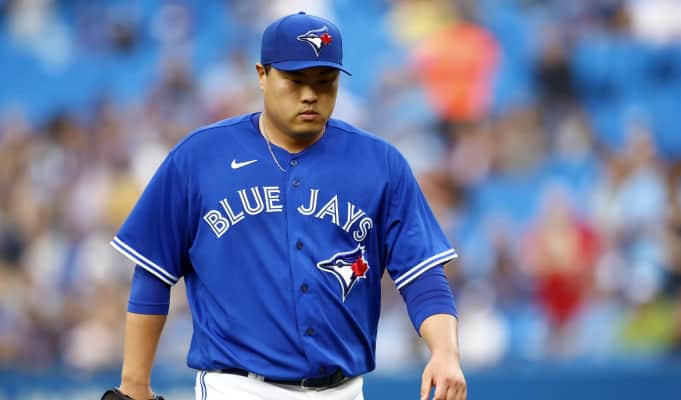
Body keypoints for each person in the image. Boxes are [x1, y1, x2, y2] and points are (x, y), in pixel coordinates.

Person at [102, 11, 466, 400]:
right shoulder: (199, 157)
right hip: (239, 387)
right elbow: (153, 272)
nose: (310, 94)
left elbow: (421, 274)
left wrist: (445, 352)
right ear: (262, 75)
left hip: (344, 390)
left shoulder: (381, 163)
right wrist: (134, 385)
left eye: (324, 81)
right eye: (295, 80)